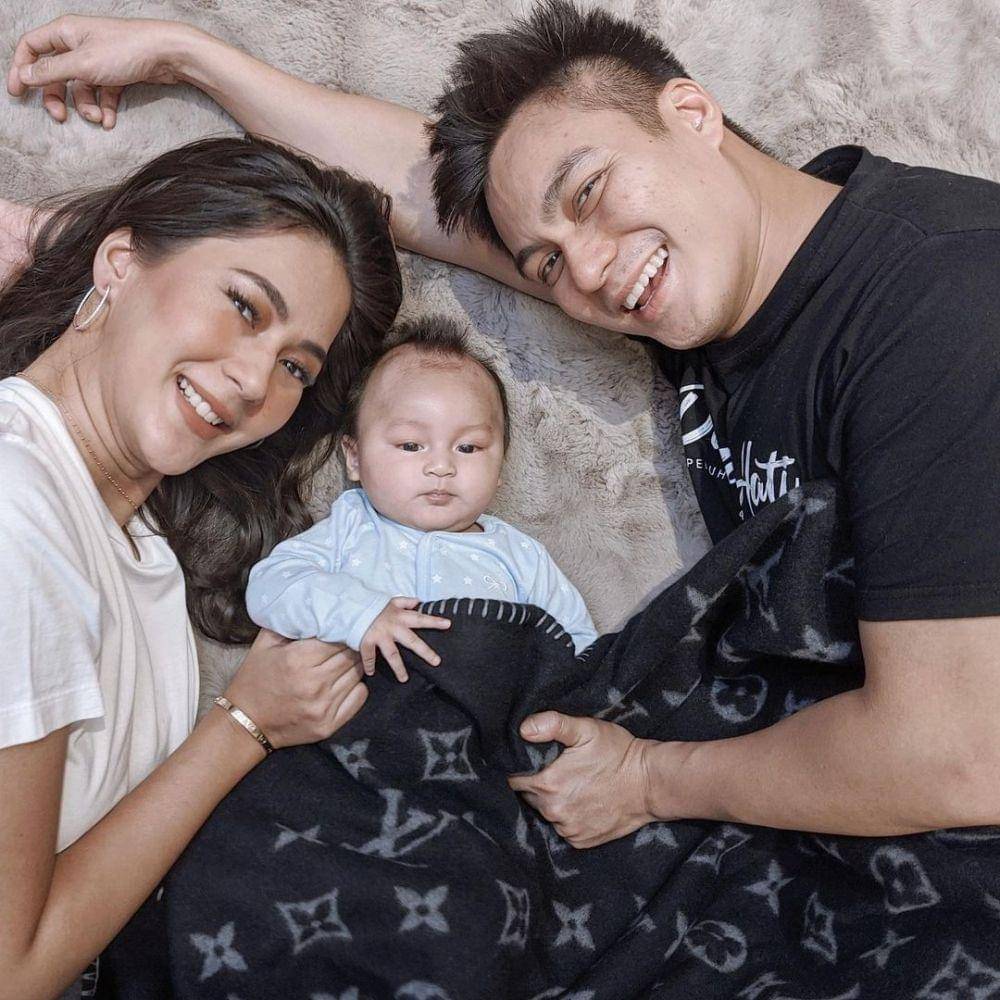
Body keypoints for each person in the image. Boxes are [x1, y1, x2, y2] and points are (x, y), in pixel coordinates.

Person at [3, 1, 999, 848]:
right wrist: (186, 60)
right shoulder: (719, 266)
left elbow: (959, 754)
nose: (591, 270)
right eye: (547, 265)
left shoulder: (942, 302)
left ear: (693, 114)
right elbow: (410, 191)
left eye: (590, 193)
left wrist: (648, 780)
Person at [0, 133, 403, 999]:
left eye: (296, 365)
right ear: (119, 262)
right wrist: (241, 727)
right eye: (245, 306)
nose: (257, 380)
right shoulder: (18, 518)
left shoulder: (137, 544)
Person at [246, 316, 599, 680]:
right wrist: (362, 613)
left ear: (500, 467)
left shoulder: (521, 556)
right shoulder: (350, 528)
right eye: (411, 445)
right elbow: (271, 585)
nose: (441, 466)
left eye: (468, 447)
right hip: (379, 702)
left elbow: (580, 643)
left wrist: (568, 704)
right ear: (354, 457)